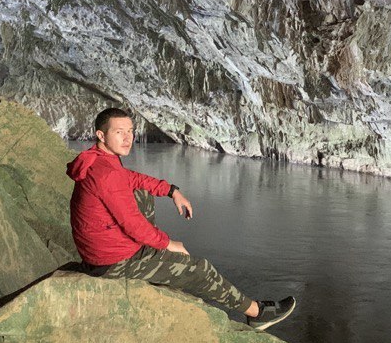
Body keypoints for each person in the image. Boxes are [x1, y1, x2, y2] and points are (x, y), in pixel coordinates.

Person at [66, 107, 297, 330]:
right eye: (119, 132)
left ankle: (153, 255)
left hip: (105, 251)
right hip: (112, 264)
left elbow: (133, 179)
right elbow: (133, 226)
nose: (128, 138)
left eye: (130, 131)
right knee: (200, 269)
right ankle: (257, 314)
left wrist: (171, 190)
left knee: (141, 192)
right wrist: (168, 244)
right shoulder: (106, 174)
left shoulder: (98, 159)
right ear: (101, 135)